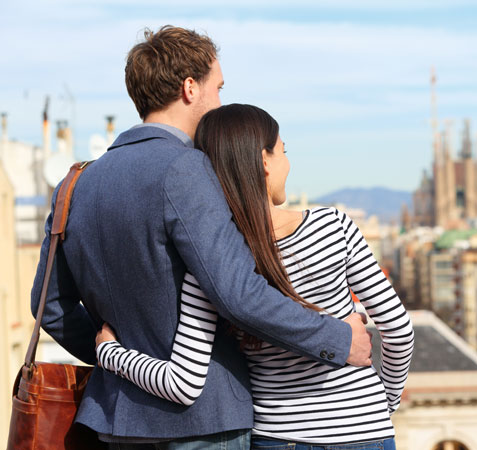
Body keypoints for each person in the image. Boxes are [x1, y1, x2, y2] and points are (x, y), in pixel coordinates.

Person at [31, 26, 373, 449]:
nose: (220, 101)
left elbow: (48, 305)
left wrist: (113, 355)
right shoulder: (187, 170)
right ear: (190, 88)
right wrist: (336, 338)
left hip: (114, 420)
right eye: (219, 87)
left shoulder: (75, 184)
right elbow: (238, 293)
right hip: (201, 422)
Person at [96, 104, 414, 449]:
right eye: (283, 152)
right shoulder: (333, 227)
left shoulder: (213, 259)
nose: (287, 163)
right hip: (364, 432)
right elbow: (397, 329)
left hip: (278, 437)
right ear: (265, 162)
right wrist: (385, 403)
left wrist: (111, 353)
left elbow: (182, 383)